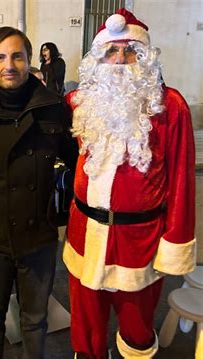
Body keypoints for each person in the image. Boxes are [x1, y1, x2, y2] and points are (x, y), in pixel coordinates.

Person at [63, 8, 195, 358]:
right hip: (84, 233)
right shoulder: (79, 103)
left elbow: (183, 181)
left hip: (140, 241)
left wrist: (176, 241)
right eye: (111, 50)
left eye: (131, 50)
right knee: (86, 325)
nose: (120, 59)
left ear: (146, 58)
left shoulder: (170, 106)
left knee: (137, 326)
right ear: (98, 59)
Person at [0, 26, 78, 358]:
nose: (9, 64)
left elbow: (80, 160)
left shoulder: (52, 107)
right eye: (0, 57)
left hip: (38, 236)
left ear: (29, 59)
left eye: (17, 56)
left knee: (35, 321)